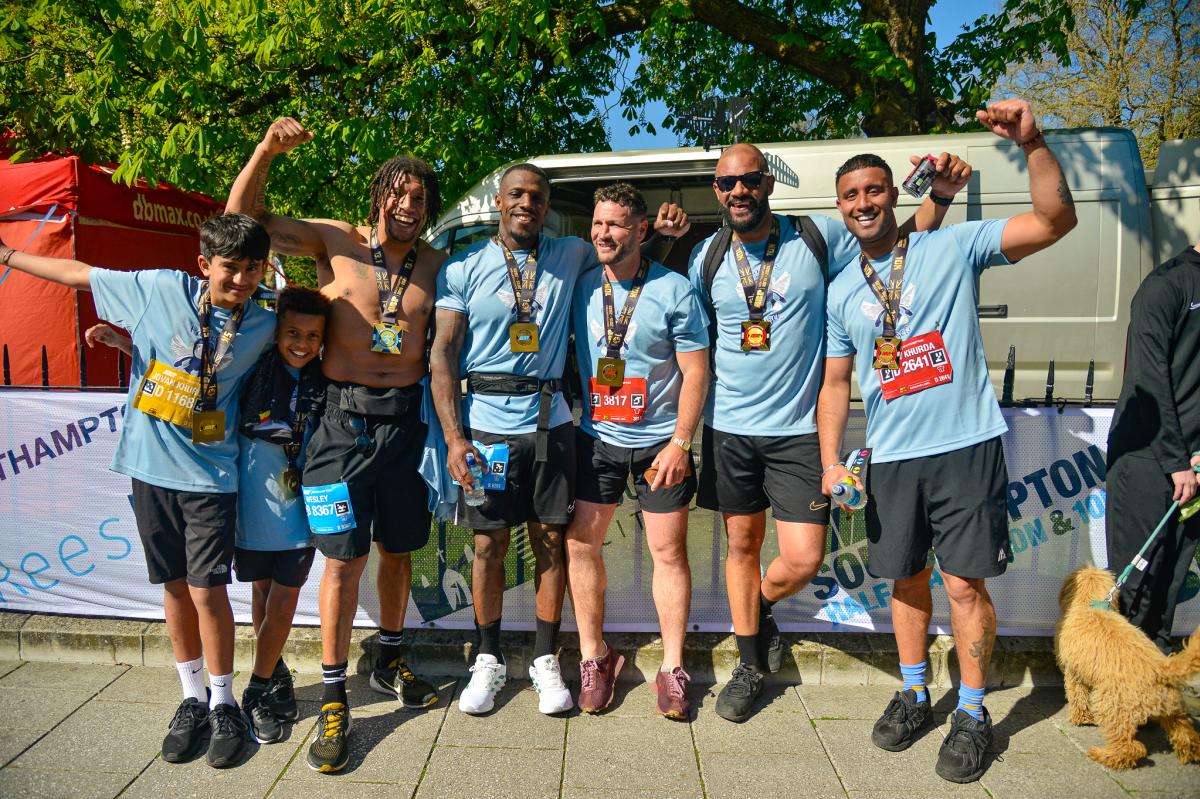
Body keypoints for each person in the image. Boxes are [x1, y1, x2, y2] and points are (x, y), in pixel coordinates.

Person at [816, 98, 1076, 783]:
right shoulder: (843, 290)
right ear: (840, 207)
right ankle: (912, 690)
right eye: (851, 195)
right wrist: (831, 458)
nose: (864, 202)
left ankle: (972, 709)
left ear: (891, 197)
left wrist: (1032, 141)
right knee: (903, 579)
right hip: (892, 458)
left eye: (874, 189)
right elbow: (836, 384)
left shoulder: (951, 245)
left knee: (962, 583)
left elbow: (1055, 221)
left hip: (965, 446)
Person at [688, 143, 968, 723]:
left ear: (768, 183)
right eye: (726, 183)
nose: (739, 191)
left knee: (803, 558)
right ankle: (748, 664)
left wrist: (938, 198)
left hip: (796, 431)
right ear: (717, 192)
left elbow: (896, 241)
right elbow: (682, 331)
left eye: (750, 179)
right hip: (728, 430)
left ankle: (758, 608)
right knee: (741, 546)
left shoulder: (817, 238)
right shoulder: (706, 257)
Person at [0, 213, 277, 768]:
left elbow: (202, 372)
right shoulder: (159, 287)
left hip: (210, 476)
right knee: (173, 587)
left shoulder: (266, 322)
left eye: (252, 269)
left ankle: (225, 704)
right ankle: (191, 698)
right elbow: (78, 273)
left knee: (207, 590)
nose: (242, 280)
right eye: (231, 268)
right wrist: (7, 256)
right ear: (204, 265)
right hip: (150, 469)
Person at [430, 163, 687, 716]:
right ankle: (489, 657)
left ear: (547, 207)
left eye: (538, 197)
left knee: (552, 542)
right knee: (486, 546)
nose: (528, 203)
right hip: (487, 427)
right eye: (517, 194)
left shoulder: (570, 252)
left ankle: (546, 660)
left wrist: (660, 234)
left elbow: (628, 266)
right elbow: (443, 356)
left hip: (550, 424)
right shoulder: (462, 267)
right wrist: (453, 438)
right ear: (498, 202)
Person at [227, 118, 441, 774]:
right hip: (339, 428)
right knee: (343, 564)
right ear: (379, 195)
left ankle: (391, 655)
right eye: (399, 194)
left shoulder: (436, 262)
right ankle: (333, 691)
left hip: (406, 427)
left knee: (400, 550)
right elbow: (240, 219)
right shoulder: (335, 241)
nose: (409, 206)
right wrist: (266, 149)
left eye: (421, 198)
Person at [87, 285, 332, 745]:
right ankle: (272, 672)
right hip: (251, 508)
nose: (302, 343)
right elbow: (197, 373)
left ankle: (257, 688)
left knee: (285, 599)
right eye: (293, 332)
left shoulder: (327, 378)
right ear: (276, 332)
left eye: (313, 336)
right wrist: (128, 345)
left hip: (302, 508)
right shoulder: (253, 369)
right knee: (261, 592)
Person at [565, 183, 708, 719]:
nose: (603, 233)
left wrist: (680, 443)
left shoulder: (674, 289)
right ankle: (595, 658)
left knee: (668, 553)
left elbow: (696, 371)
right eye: (598, 224)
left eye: (616, 225)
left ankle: (672, 669)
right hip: (598, 438)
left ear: (641, 231)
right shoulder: (579, 288)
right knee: (582, 547)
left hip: (659, 444)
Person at [1106, 239, 1200, 655]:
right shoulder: (1167, 285)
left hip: (1193, 462)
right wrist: (1177, 460)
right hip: (1150, 459)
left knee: (1169, 586)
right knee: (1137, 590)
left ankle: (1151, 691)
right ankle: (1121, 695)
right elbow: (1149, 379)